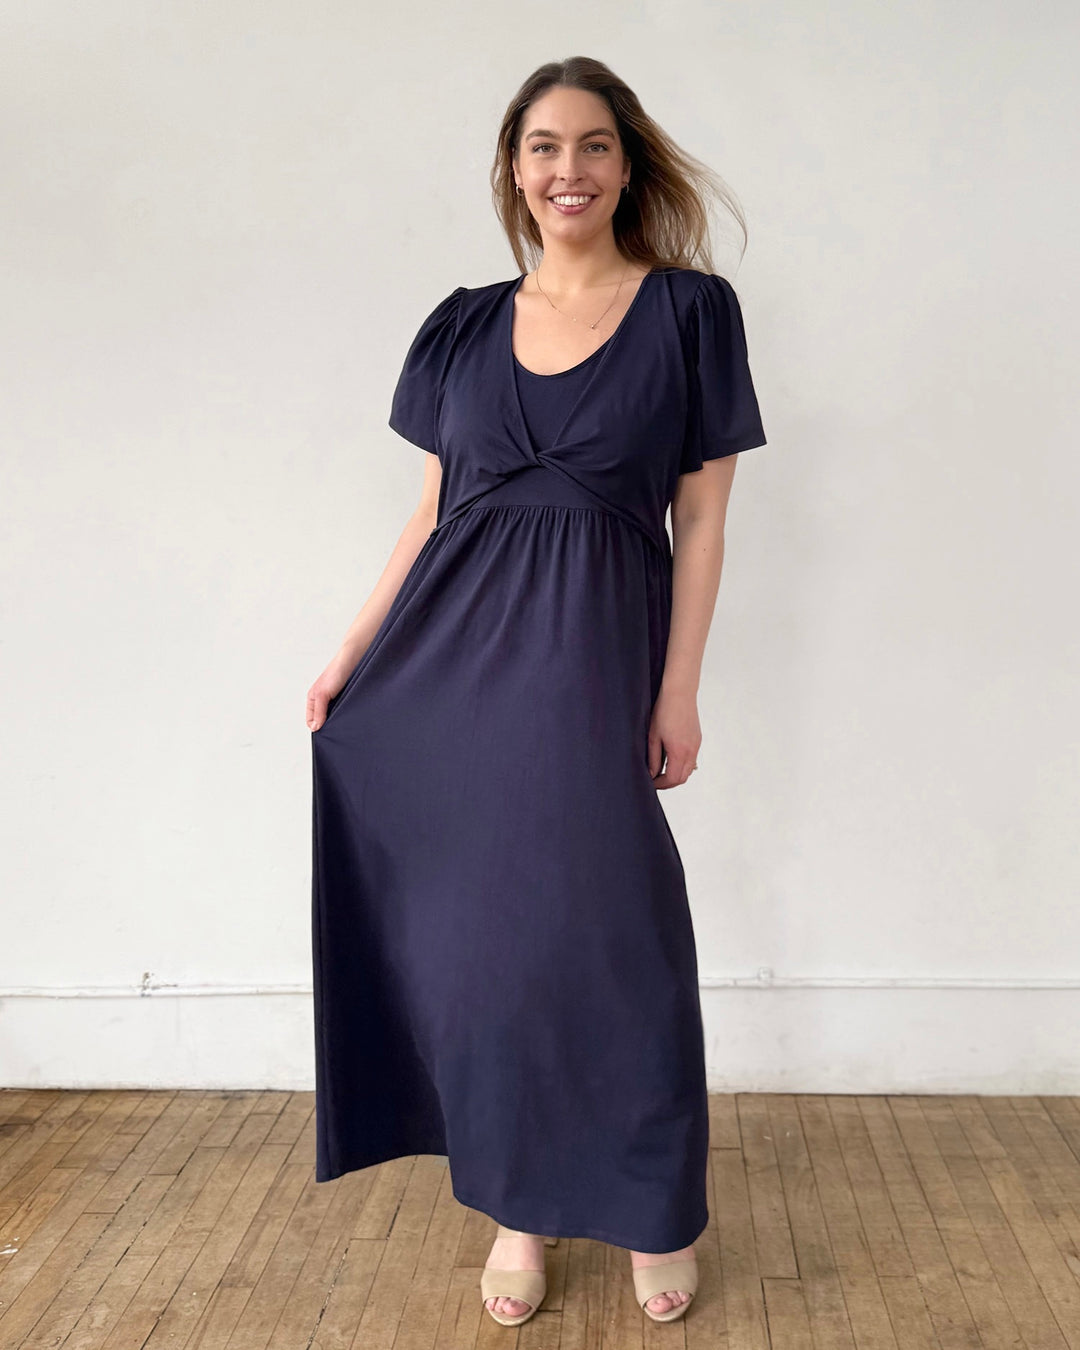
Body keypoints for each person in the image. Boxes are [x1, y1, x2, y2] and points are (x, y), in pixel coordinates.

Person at [306, 56, 767, 1328]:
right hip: (448, 678)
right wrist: (349, 654)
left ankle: (654, 1206)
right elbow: (429, 516)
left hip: (593, 667)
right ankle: (519, 1205)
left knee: (617, 943)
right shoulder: (460, 325)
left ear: (628, 164)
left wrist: (679, 689)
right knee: (493, 954)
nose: (571, 169)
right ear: (515, 170)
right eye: (545, 147)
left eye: (595, 145)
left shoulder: (690, 312)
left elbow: (702, 521)